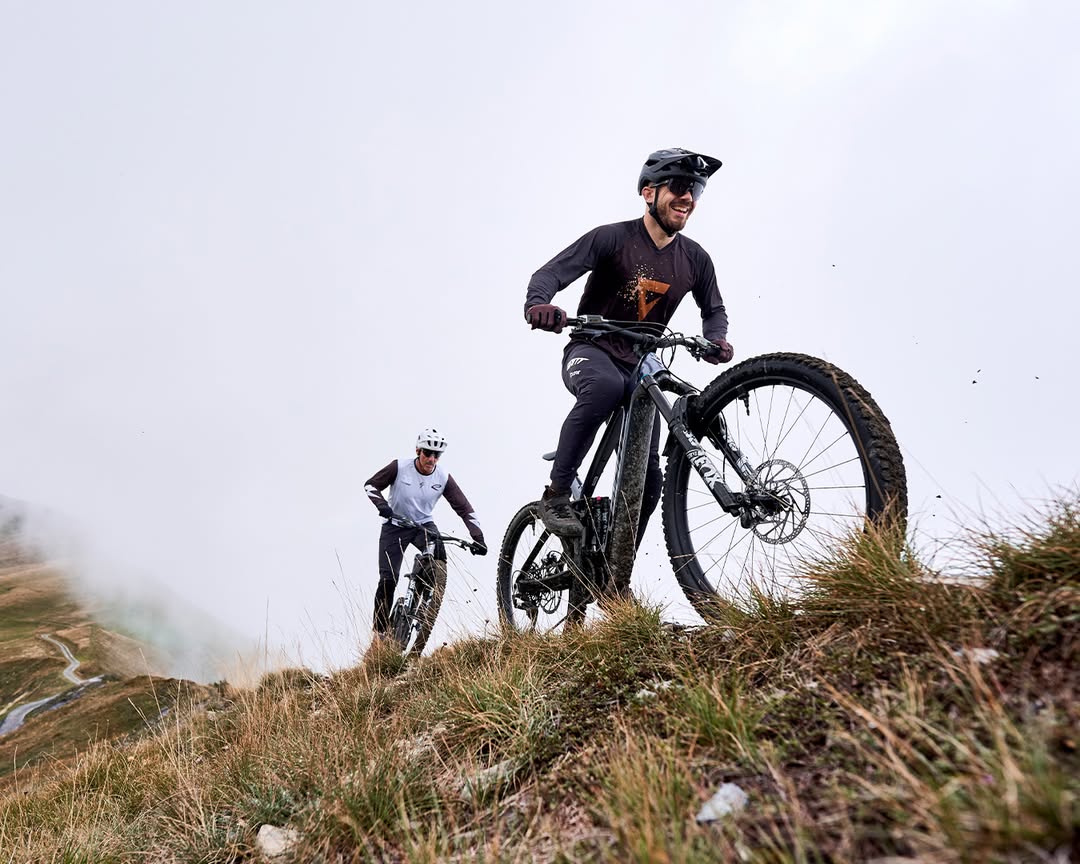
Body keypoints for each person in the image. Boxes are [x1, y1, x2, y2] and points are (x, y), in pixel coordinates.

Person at [524, 148, 734, 539]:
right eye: (679, 186)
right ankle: (555, 495)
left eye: (696, 191)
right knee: (605, 387)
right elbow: (549, 274)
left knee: (650, 479)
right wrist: (539, 304)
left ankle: (618, 564)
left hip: (641, 364)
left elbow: (714, 310)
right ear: (648, 192)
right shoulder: (612, 238)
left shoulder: (695, 259)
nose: (688, 198)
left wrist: (715, 339)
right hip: (592, 349)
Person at [364, 428, 486, 637]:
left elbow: (465, 509)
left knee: (439, 554)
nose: (431, 459)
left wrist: (478, 538)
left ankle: (422, 599)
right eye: (427, 453)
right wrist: (383, 506)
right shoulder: (399, 467)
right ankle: (380, 633)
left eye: (436, 455)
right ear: (418, 451)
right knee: (388, 580)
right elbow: (370, 485)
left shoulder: (442, 477)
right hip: (395, 526)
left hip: (423, 525)